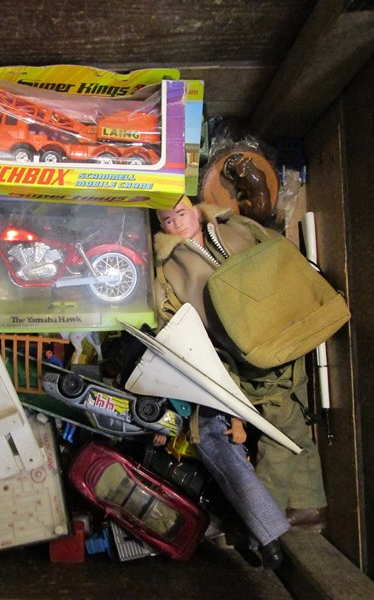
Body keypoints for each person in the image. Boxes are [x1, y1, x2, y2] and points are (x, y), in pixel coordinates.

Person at [154, 196, 327, 533]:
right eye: (167, 221)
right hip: (243, 358)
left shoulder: (234, 226)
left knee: (289, 426)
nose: (177, 225)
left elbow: (281, 255)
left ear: (195, 209)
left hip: (287, 332)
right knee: (285, 425)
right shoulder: (169, 266)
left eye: (181, 214)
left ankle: (277, 513)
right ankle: (284, 513)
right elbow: (170, 317)